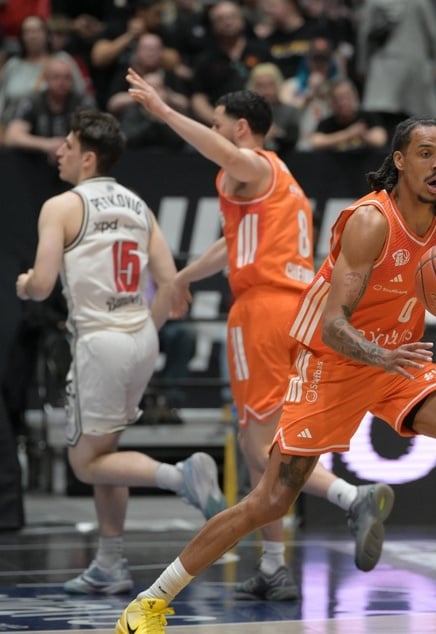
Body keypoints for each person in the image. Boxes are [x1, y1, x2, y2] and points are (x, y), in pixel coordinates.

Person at [114, 115, 436, 634]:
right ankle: (151, 601)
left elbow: (425, 279)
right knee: (271, 500)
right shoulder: (371, 221)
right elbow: (332, 324)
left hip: (400, 358)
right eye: (426, 154)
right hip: (334, 361)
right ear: (399, 160)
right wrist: (378, 355)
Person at [124, 69, 395, 602]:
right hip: (295, 311)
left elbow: (229, 158)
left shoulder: (253, 163)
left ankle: (351, 497)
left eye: (218, 124)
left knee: (260, 443)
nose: (213, 130)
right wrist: (180, 276)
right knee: (260, 451)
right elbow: (232, 245)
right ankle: (274, 567)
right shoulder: (278, 183)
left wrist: (164, 111)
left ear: (242, 128)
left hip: (263, 312)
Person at [15, 109, 227, 594]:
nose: (60, 151)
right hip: (139, 338)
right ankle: (110, 563)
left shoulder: (61, 205)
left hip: (100, 341)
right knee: (105, 450)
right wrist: (142, 335)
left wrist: (25, 284)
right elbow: (170, 286)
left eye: (68, 144)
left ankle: (181, 476)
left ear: (88, 158)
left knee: (86, 464)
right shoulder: (138, 206)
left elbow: (44, 282)